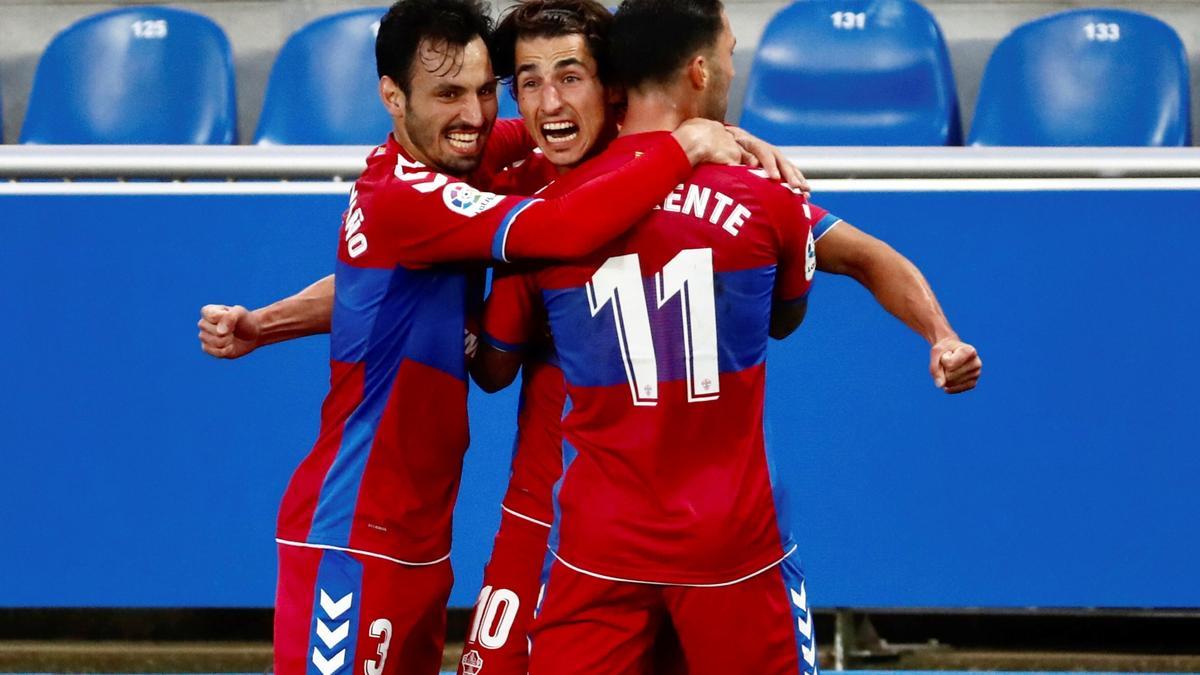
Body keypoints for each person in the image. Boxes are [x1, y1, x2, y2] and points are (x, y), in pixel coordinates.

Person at [220, 0, 751, 672]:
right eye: (448, 94)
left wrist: (263, 323)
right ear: (392, 97)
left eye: (481, 91)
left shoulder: (453, 159)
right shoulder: (407, 195)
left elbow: (371, 291)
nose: (473, 116)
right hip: (354, 534)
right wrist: (685, 146)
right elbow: (562, 229)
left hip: (419, 541)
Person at [471, 1, 976, 673]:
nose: (548, 100)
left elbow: (493, 362)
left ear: (612, 82)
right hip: (694, 529)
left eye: (568, 76)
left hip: (596, 532)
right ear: (702, 68)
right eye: (527, 82)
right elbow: (787, 314)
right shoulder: (758, 193)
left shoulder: (538, 219)